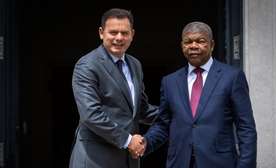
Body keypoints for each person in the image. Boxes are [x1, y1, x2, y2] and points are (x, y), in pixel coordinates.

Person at [135, 21, 257, 168]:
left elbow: (246, 127)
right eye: (188, 42)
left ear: (212, 45)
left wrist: (246, 165)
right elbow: (163, 124)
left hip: (219, 163)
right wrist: (145, 142)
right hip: (179, 162)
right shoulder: (170, 82)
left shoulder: (232, 77)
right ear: (182, 46)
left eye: (200, 41)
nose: (193, 46)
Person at [69, 8, 157, 168]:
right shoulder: (87, 65)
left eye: (124, 33)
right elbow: (91, 114)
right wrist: (129, 141)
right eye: (113, 32)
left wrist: (177, 114)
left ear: (132, 35)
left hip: (128, 160)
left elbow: (141, 110)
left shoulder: (135, 65)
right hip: (95, 159)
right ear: (101, 33)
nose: (119, 38)